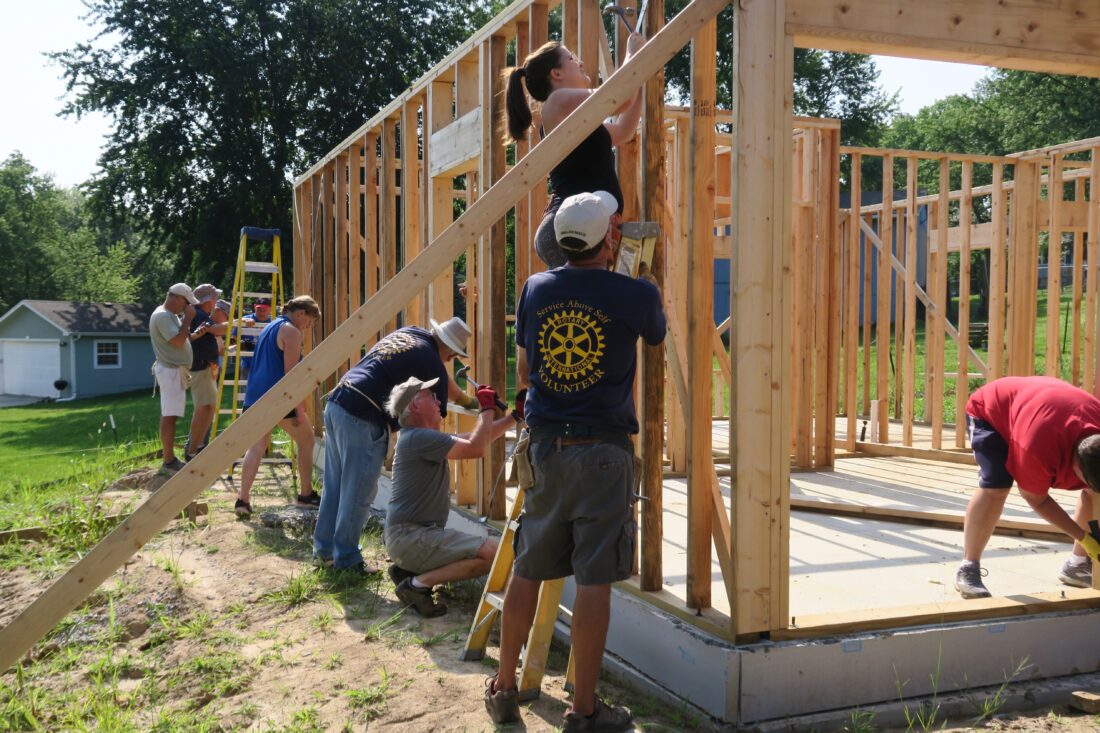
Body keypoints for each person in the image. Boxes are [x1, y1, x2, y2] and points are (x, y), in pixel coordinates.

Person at [485, 191, 666, 731]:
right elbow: (655, 334)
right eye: (614, 227)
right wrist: (642, 280)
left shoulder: (535, 289)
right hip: (603, 453)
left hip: (544, 448)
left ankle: (503, 690)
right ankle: (583, 711)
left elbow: (524, 369)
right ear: (608, 238)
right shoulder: (635, 294)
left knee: (527, 568)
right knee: (593, 583)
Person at [314, 318, 480, 574]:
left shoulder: (411, 334)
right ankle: (347, 562)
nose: (449, 361)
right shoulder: (432, 362)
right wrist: (472, 404)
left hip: (338, 401)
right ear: (448, 349)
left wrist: (465, 398)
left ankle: (324, 553)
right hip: (362, 415)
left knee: (335, 486)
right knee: (358, 492)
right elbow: (435, 416)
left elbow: (442, 376)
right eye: (453, 355)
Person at [503, 33, 644, 268]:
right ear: (556, 74)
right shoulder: (556, 102)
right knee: (583, 300)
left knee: (584, 301)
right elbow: (620, 99)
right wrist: (634, 55)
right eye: (571, 58)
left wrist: (640, 78)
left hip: (579, 228)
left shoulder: (578, 120)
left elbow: (624, 130)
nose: (580, 63)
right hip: (571, 228)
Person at [954, 376, 1100, 599]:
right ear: (1076, 466)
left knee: (1093, 493)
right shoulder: (1037, 448)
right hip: (992, 411)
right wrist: (1083, 537)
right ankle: (968, 567)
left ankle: (1077, 565)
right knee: (996, 487)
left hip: (1042, 406)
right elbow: (1037, 499)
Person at [382, 376, 514, 617]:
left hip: (408, 537)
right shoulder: (417, 438)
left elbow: (476, 438)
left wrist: (514, 419)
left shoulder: (417, 437)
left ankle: (410, 572)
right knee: (494, 553)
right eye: (431, 397)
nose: (438, 401)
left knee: (488, 556)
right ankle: (416, 585)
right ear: (414, 406)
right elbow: (476, 448)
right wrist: (485, 409)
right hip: (411, 537)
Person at [234, 296, 322, 518]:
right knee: (307, 440)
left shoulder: (271, 326)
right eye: (309, 321)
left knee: (257, 447)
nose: (308, 326)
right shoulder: (292, 331)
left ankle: (242, 500)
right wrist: (299, 407)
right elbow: (291, 374)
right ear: (301, 313)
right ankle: (306, 496)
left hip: (255, 396)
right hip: (278, 398)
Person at [149, 283, 200, 474]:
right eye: (186, 303)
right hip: (170, 371)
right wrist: (187, 319)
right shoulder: (163, 316)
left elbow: (181, 339)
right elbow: (178, 342)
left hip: (173, 370)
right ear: (177, 298)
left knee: (171, 415)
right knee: (169, 416)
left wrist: (188, 326)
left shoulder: (169, 316)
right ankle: (169, 461)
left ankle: (169, 459)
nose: (187, 307)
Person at [185, 283, 228, 460]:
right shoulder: (200, 315)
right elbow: (217, 329)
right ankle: (193, 449)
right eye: (215, 298)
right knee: (204, 408)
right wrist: (238, 322)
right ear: (208, 300)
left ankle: (198, 446)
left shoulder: (199, 314)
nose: (216, 302)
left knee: (208, 407)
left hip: (204, 366)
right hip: (201, 367)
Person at [239, 297, 272, 376]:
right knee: (245, 387)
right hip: (248, 365)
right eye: (259, 310)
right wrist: (242, 320)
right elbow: (232, 339)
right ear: (254, 307)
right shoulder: (245, 320)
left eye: (264, 310)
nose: (261, 313)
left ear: (270, 309)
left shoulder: (273, 322)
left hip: (267, 365)